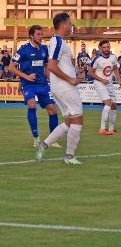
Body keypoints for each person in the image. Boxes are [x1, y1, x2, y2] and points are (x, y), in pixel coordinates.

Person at [36, 13, 84, 165]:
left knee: (69, 122)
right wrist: (70, 79)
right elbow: (51, 66)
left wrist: (74, 73)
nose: (71, 27)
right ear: (63, 25)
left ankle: (44, 146)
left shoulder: (58, 42)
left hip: (60, 87)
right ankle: (69, 157)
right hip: (65, 87)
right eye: (70, 24)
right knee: (78, 119)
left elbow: (56, 66)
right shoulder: (57, 41)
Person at [9, 25, 61, 148]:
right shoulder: (23, 49)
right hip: (28, 84)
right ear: (31, 36)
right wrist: (26, 77)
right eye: (38, 34)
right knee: (32, 104)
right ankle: (36, 138)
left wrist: (51, 81)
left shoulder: (45, 49)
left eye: (41, 34)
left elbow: (47, 67)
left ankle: (52, 140)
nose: (41, 36)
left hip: (42, 84)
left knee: (52, 110)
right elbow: (11, 67)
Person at [88, 39, 121, 135]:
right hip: (99, 83)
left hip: (109, 83)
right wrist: (101, 80)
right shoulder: (96, 59)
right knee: (108, 103)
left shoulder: (113, 57)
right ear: (100, 48)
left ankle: (111, 129)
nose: (107, 49)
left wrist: (119, 79)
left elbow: (115, 68)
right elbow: (90, 72)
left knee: (114, 105)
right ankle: (102, 129)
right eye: (104, 47)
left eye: (108, 46)